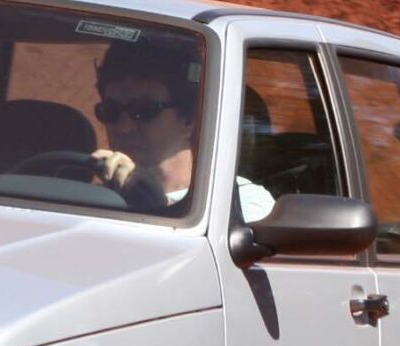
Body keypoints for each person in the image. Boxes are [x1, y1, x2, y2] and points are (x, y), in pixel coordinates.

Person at [89, 37, 272, 219]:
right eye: (110, 111)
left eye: (143, 110)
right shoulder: (89, 203)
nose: (124, 127)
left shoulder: (239, 204)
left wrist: (154, 204)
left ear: (189, 119)